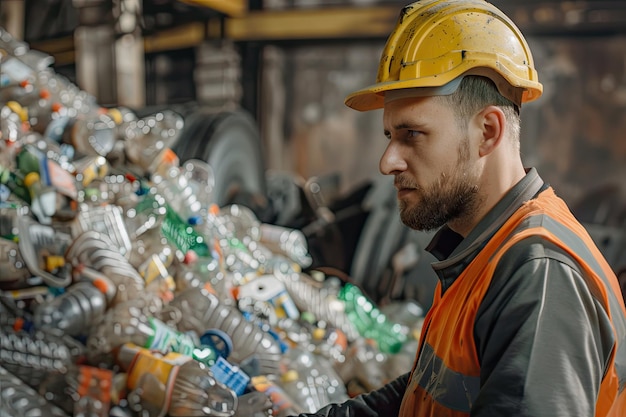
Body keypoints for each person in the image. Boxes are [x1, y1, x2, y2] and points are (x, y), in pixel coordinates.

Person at [291, 1, 626, 416]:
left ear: (488, 132)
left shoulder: (539, 273)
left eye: (412, 134)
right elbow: (427, 391)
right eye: (389, 136)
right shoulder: (480, 250)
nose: (387, 162)